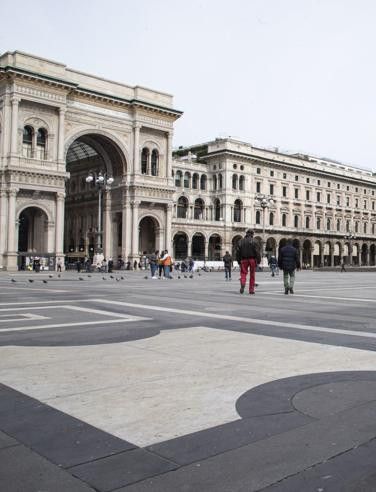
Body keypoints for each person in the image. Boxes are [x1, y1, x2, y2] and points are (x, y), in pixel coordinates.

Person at [235, 229, 261, 295]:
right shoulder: (255, 241)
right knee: (252, 275)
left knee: (243, 273)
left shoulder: (241, 241)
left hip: (243, 260)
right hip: (252, 259)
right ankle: (251, 290)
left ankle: (243, 283)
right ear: (252, 234)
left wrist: (238, 261)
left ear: (246, 234)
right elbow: (257, 252)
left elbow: (237, 252)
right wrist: (258, 261)